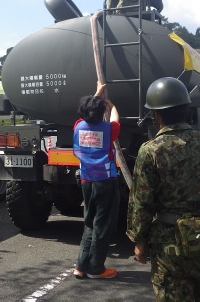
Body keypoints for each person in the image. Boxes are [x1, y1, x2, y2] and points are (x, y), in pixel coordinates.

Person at [127, 77, 200, 301]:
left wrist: (139, 240)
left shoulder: (151, 150)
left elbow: (141, 201)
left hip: (170, 242)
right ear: (187, 109)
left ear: (156, 115)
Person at [72, 81, 121, 279]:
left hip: (86, 181)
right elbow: (116, 119)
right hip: (105, 182)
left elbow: (88, 110)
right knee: (103, 224)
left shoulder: (78, 126)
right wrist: (110, 104)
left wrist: (97, 94)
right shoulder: (109, 130)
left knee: (89, 222)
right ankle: (96, 269)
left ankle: (81, 266)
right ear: (101, 111)